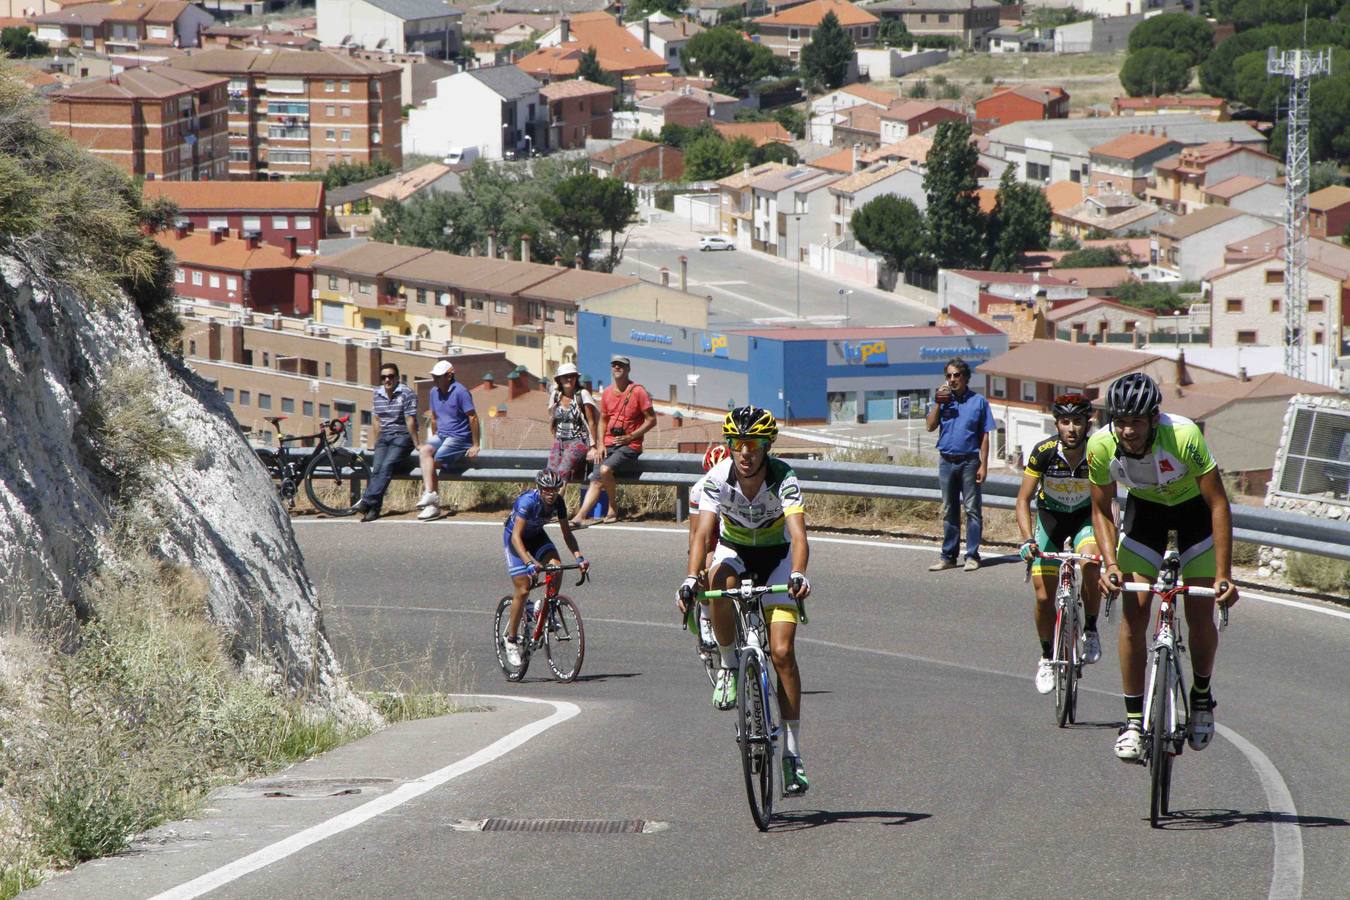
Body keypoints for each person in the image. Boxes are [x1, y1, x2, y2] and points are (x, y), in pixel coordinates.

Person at [1087, 372, 1238, 762]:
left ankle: (1201, 698)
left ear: (1154, 419)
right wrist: (1109, 565)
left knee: (1200, 613)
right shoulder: (1101, 445)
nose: (1127, 431)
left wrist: (1224, 575)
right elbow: (1102, 509)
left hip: (1194, 516)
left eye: (1136, 421)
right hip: (1145, 517)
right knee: (1133, 616)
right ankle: (1134, 722)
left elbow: (1219, 503)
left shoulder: (1184, 436)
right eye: (1120, 421)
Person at [679, 407, 812, 796]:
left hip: (778, 559)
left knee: (782, 652)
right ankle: (728, 663)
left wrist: (800, 573)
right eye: (736, 444)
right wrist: (690, 578)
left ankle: (792, 754)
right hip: (734, 549)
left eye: (753, 444)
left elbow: (799, 536)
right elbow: (703, 535)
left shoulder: (784, 478)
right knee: (717, 582)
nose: (745, 452)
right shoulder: (716, 479)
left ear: (767, 446)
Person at [1015, 394, 1104, 695]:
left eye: (1077, 421)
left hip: (1084, 520)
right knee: (1043, 597)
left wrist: (1109, 544)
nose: (1071, 428)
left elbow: (1109, 502)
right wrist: (1028, 539)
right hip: (1051, 521)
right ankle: (1045, 657)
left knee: (1091, 564)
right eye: (1065, 422)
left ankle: (1090, 630)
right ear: (1057, 424)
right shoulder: (1043, 452)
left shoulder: (1098, 451)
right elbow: (1022, 500)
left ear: (1087, 423)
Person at [502, 469, 589, 668]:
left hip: (537, 537)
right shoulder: (527, 502)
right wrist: (529, 563)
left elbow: (567, 534)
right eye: (547, 489)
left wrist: (579, 557)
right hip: (515, 540)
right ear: (540, 489)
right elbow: (516, 537)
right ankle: (511, 640)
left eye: (555, 489)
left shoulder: (558, 503)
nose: (551, 493)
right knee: (523, 589)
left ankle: (546, 609)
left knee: (556, 568)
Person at [925, 357, 996, 571]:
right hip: (947, 461)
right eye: (949, 376)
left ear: (965, 377)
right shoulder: (942, 400)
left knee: (972, 509)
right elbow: (929, 426)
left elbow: (984, 434)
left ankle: (973, 555)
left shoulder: (979, 402)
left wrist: (983, 465)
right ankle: (948, 556)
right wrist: (939, 401)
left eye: (957, 375)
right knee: (949, 510)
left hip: (969, 462)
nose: (953, 379)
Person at [570, 355, 656, 526]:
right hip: (608, 444)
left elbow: (651, 420)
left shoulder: (639, 391)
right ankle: (580, 516)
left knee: (604, 469)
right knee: (595, 480)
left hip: (630, 445)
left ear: (628, 369)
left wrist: (632, 436)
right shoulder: (608, 393)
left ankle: (613, 507)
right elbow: (603, 420)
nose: (617, 368)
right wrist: (600, 444)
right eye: (614, 365)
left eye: (621, 365)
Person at [416, 360, 481, 521]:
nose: (435, 380)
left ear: (449, 376)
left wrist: (476, 444)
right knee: (425, 451)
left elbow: (472, 417)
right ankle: (431, 497)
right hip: (442, 435)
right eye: (434, 377)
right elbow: (434, 416)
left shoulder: (461, 392)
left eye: (438, 377)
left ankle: (432, 502)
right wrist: (435, 435)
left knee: (436, 459)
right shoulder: (433, 392)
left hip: (459, 437)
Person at [680, 443, 731, 647]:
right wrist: (696, 566)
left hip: (732, 525)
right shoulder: (700, 490)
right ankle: (706, 618)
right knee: (706, 563)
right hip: (710, 527)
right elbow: (697, 533)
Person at [353, 363, 417, 523]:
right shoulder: (377, 394)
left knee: (387, 465)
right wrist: (376, 443)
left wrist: (417, 443)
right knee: (377, 470)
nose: (387, 379)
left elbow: (410, 420)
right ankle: (374, 510)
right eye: (384, 377)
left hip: (402, 436)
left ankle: (366, 501)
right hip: (384, 437)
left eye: (391, 376)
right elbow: (376, 420)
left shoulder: (407, 393)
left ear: (397, 378)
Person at [546, 363, 599, 484]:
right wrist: (556, 440)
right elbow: (553, 419)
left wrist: (593, 447)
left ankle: (556, 502)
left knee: (562, 472)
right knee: (550, 476)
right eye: (565, 376)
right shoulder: (555, 396)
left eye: (572, 376)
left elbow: (592, 422)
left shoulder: (582, 394)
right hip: (560, 441)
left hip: (579, 441)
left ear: (576, 378)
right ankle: (553, 502)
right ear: (559, 379)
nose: (569, 379)